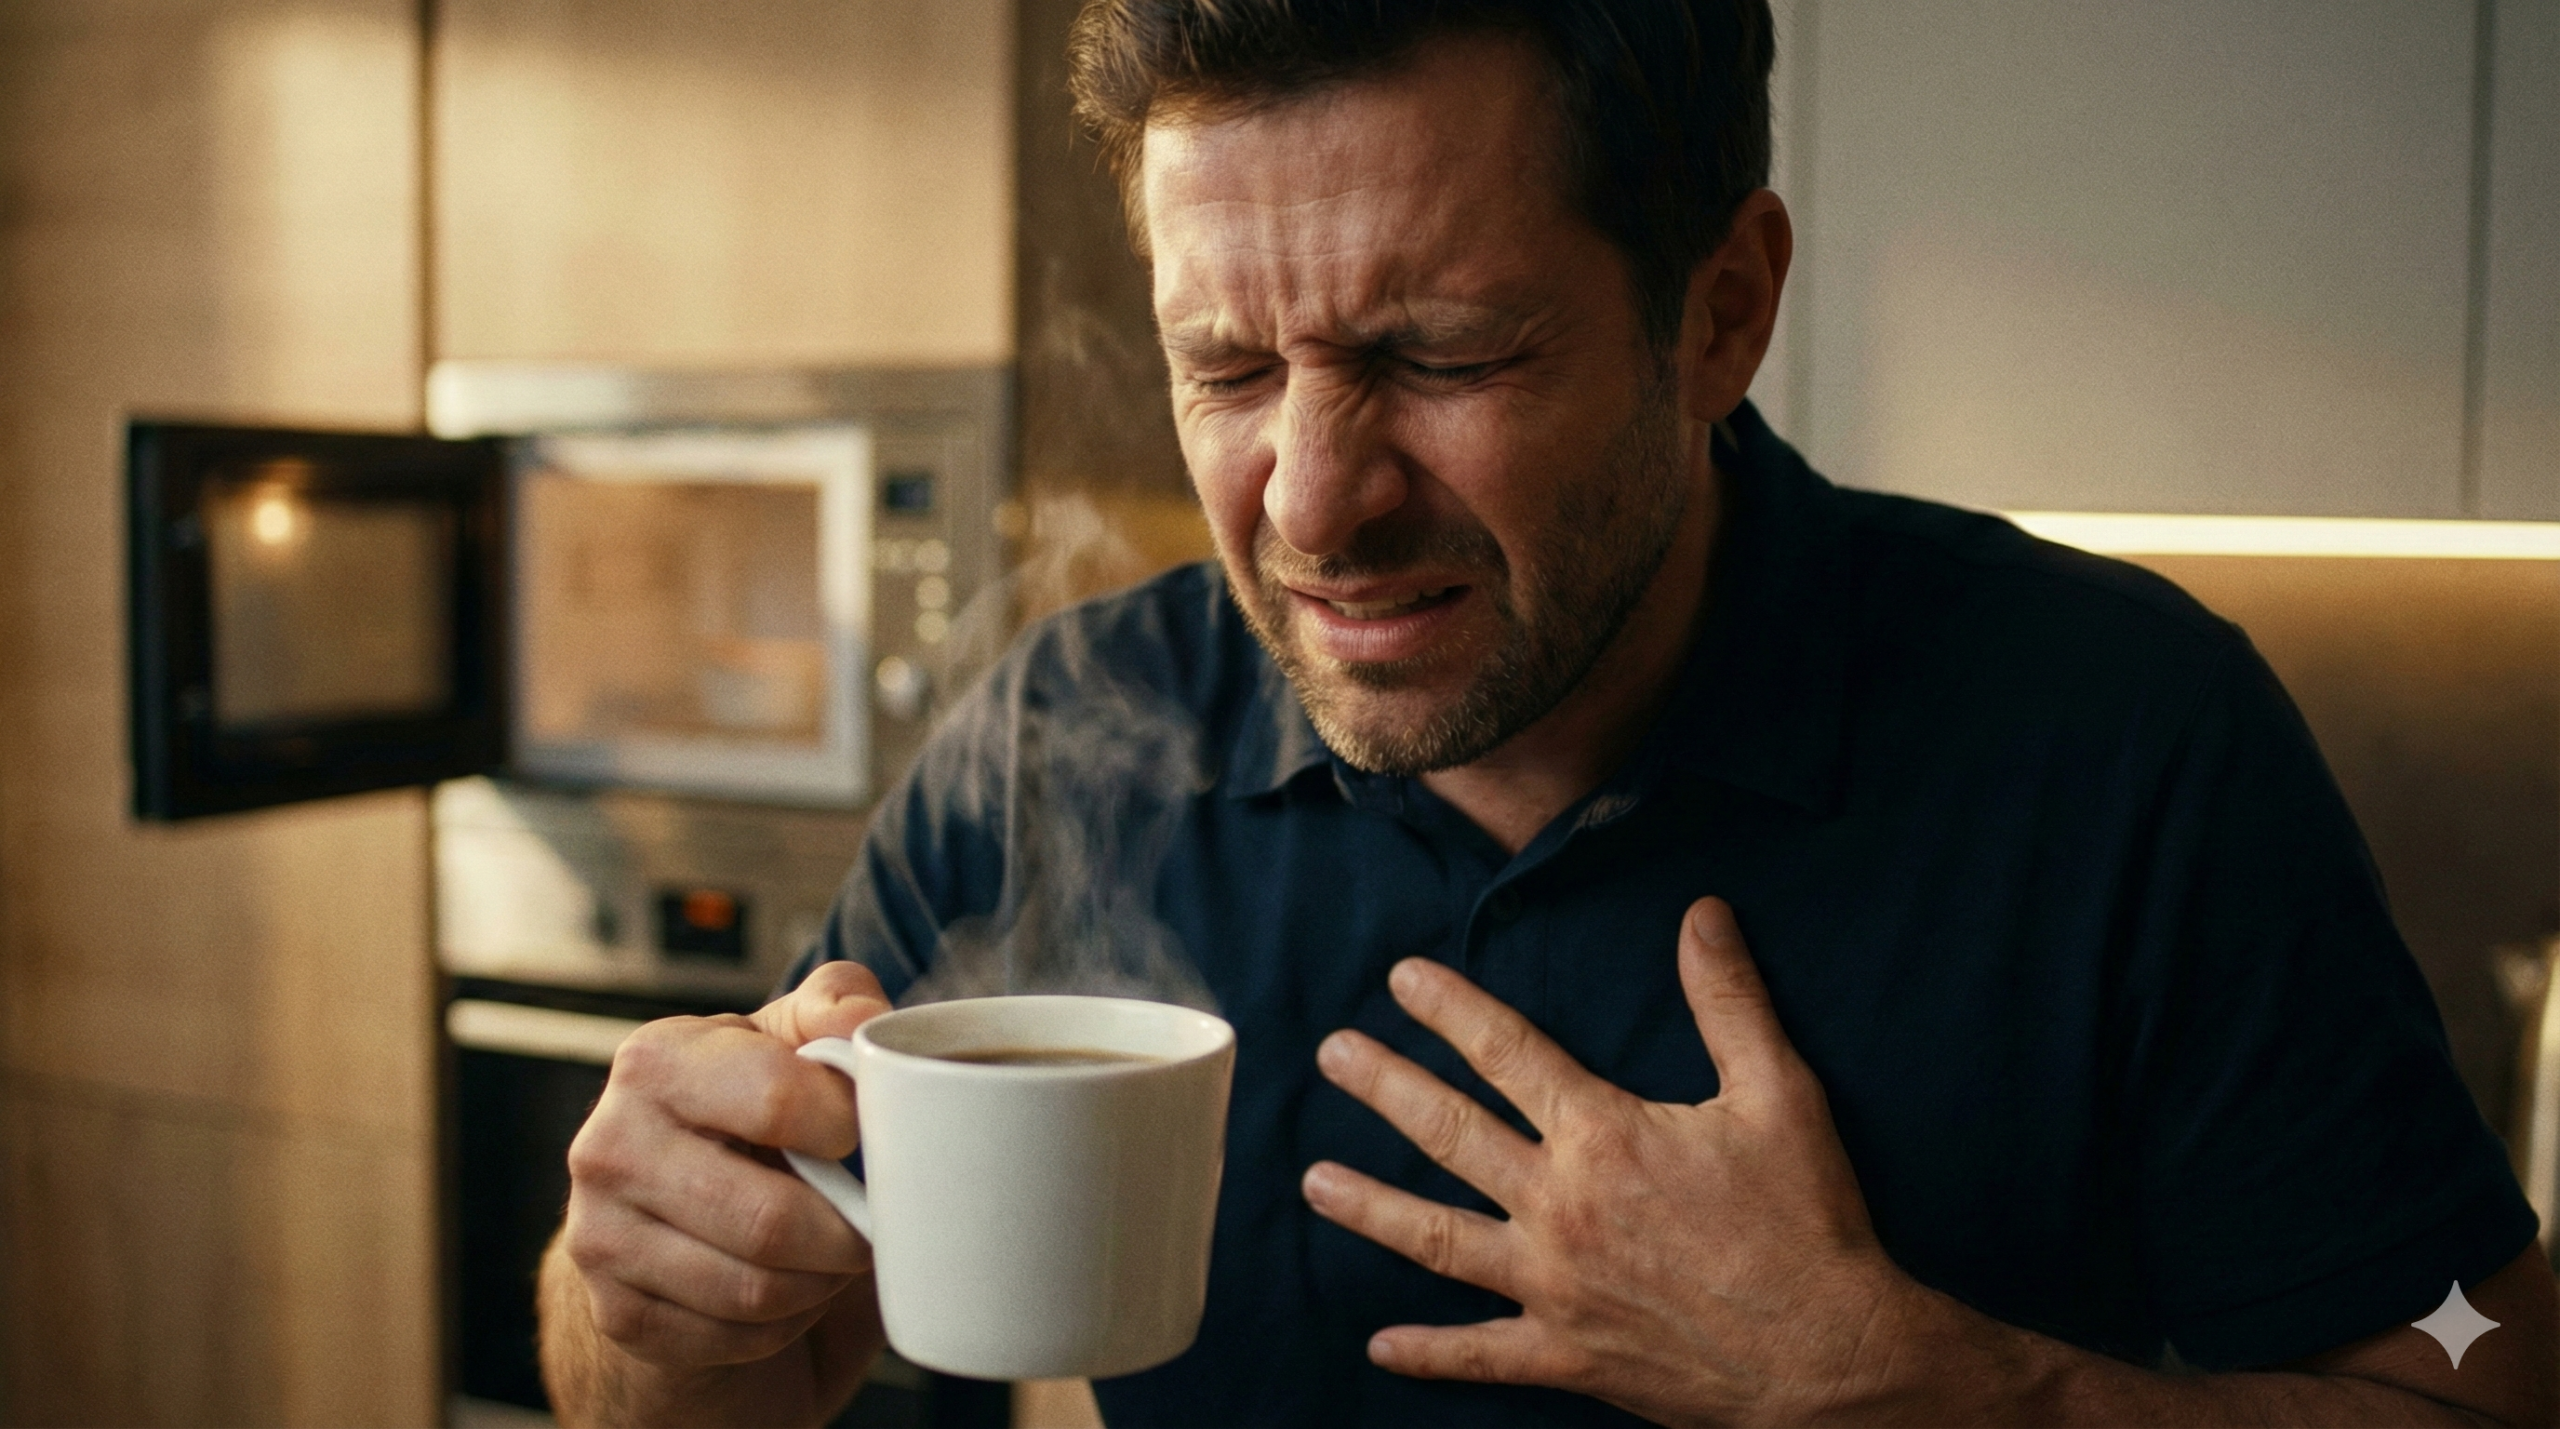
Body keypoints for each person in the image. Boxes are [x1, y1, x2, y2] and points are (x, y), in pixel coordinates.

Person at [536, 2, 2560, 1424]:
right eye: (1227, 370)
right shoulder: (1063, 736)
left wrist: (1927, 1394)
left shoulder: (2125, 741)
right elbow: (677, 1356)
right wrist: (648, 1321)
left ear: (1720, 312)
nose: (1311, 503)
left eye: (1441, 351)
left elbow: (2482, 1367)